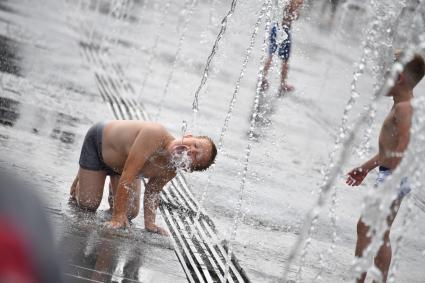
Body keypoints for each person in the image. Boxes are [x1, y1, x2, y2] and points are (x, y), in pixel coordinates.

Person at [346, 52, 425, 283]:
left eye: (385, 74)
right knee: (379, 232)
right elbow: (388, 151)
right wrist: (366, 167)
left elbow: (404, 145)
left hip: (394, 177)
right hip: (391, 175)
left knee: (366, 227)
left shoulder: (404, 108)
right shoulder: (401, 106)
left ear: (399, 77)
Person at [70, 120, 217, 234]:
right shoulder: (155, 134)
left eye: (195, 156)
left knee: (130, 213)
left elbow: (153, 191)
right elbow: (129, 176)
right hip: (100, 144)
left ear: (188, 167)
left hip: (121, 167)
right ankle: (82, 179)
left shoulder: (172, 168)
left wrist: (150, 224)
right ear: (189, 136)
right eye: (195, 145)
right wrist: (117, 216)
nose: (190, 150)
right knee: (88, 204)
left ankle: (110, 185)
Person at [261, 0, 304, 95]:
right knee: (285, 59)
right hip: (283, 30)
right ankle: (282, 84)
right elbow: (292, 16)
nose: (301, 3)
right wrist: (295, 13)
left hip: (275, 27)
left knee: (271, 55)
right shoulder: (293, 2)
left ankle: (263, 78)